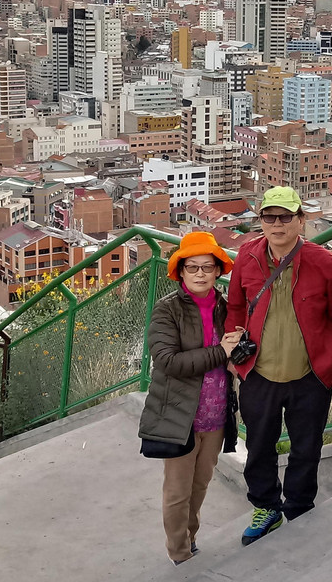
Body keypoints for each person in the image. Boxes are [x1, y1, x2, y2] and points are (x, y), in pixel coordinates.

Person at [225, 186, 332, 545]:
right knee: (260, 446)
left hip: (309, 376)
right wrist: (234, 352)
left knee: (306, 446)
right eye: (270, 217)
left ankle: (299, 506)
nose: (277, 224)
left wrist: (331, 362)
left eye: (286, 217)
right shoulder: (246, 256)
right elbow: (235, 307)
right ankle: (265, 507)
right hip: (258, 372)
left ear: (301, 220)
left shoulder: (324, 262)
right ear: (260, 220)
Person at [138, 231, 243, 566]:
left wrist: (236, 355)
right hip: (180, 416)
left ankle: (191, 538)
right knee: (177, 493)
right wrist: (220, 351)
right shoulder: (166, 310)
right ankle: (180, 555)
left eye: (207, 267)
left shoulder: (226, 309)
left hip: (216, 417)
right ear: (180, 272)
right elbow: (168, 362)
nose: (200, 273)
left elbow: (233, 357)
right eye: (192, 267)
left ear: (217, 271)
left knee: (199, 487)